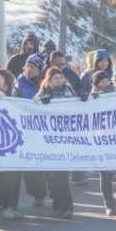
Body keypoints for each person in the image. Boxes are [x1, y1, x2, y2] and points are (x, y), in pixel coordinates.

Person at [36, 67, 78, 219]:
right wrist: (42, 102)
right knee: (53, 177)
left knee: (62, 176)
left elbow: (78, 108)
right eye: (55, 78)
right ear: (49, 80)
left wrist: (83, 99)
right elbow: (32, 107)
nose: (59, 81)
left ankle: (67, 207)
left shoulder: (70, 91)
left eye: (61, 78)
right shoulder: (43, 92)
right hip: (50, 141)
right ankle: (58, 205)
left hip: (66, 140)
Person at [0, 69, 24, 220]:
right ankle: (6, 207)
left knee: (16, 175)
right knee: (7, 176)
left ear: (6, 78)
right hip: (2, 140)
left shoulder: (16, 93)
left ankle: (14, 207)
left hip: (18, 138)